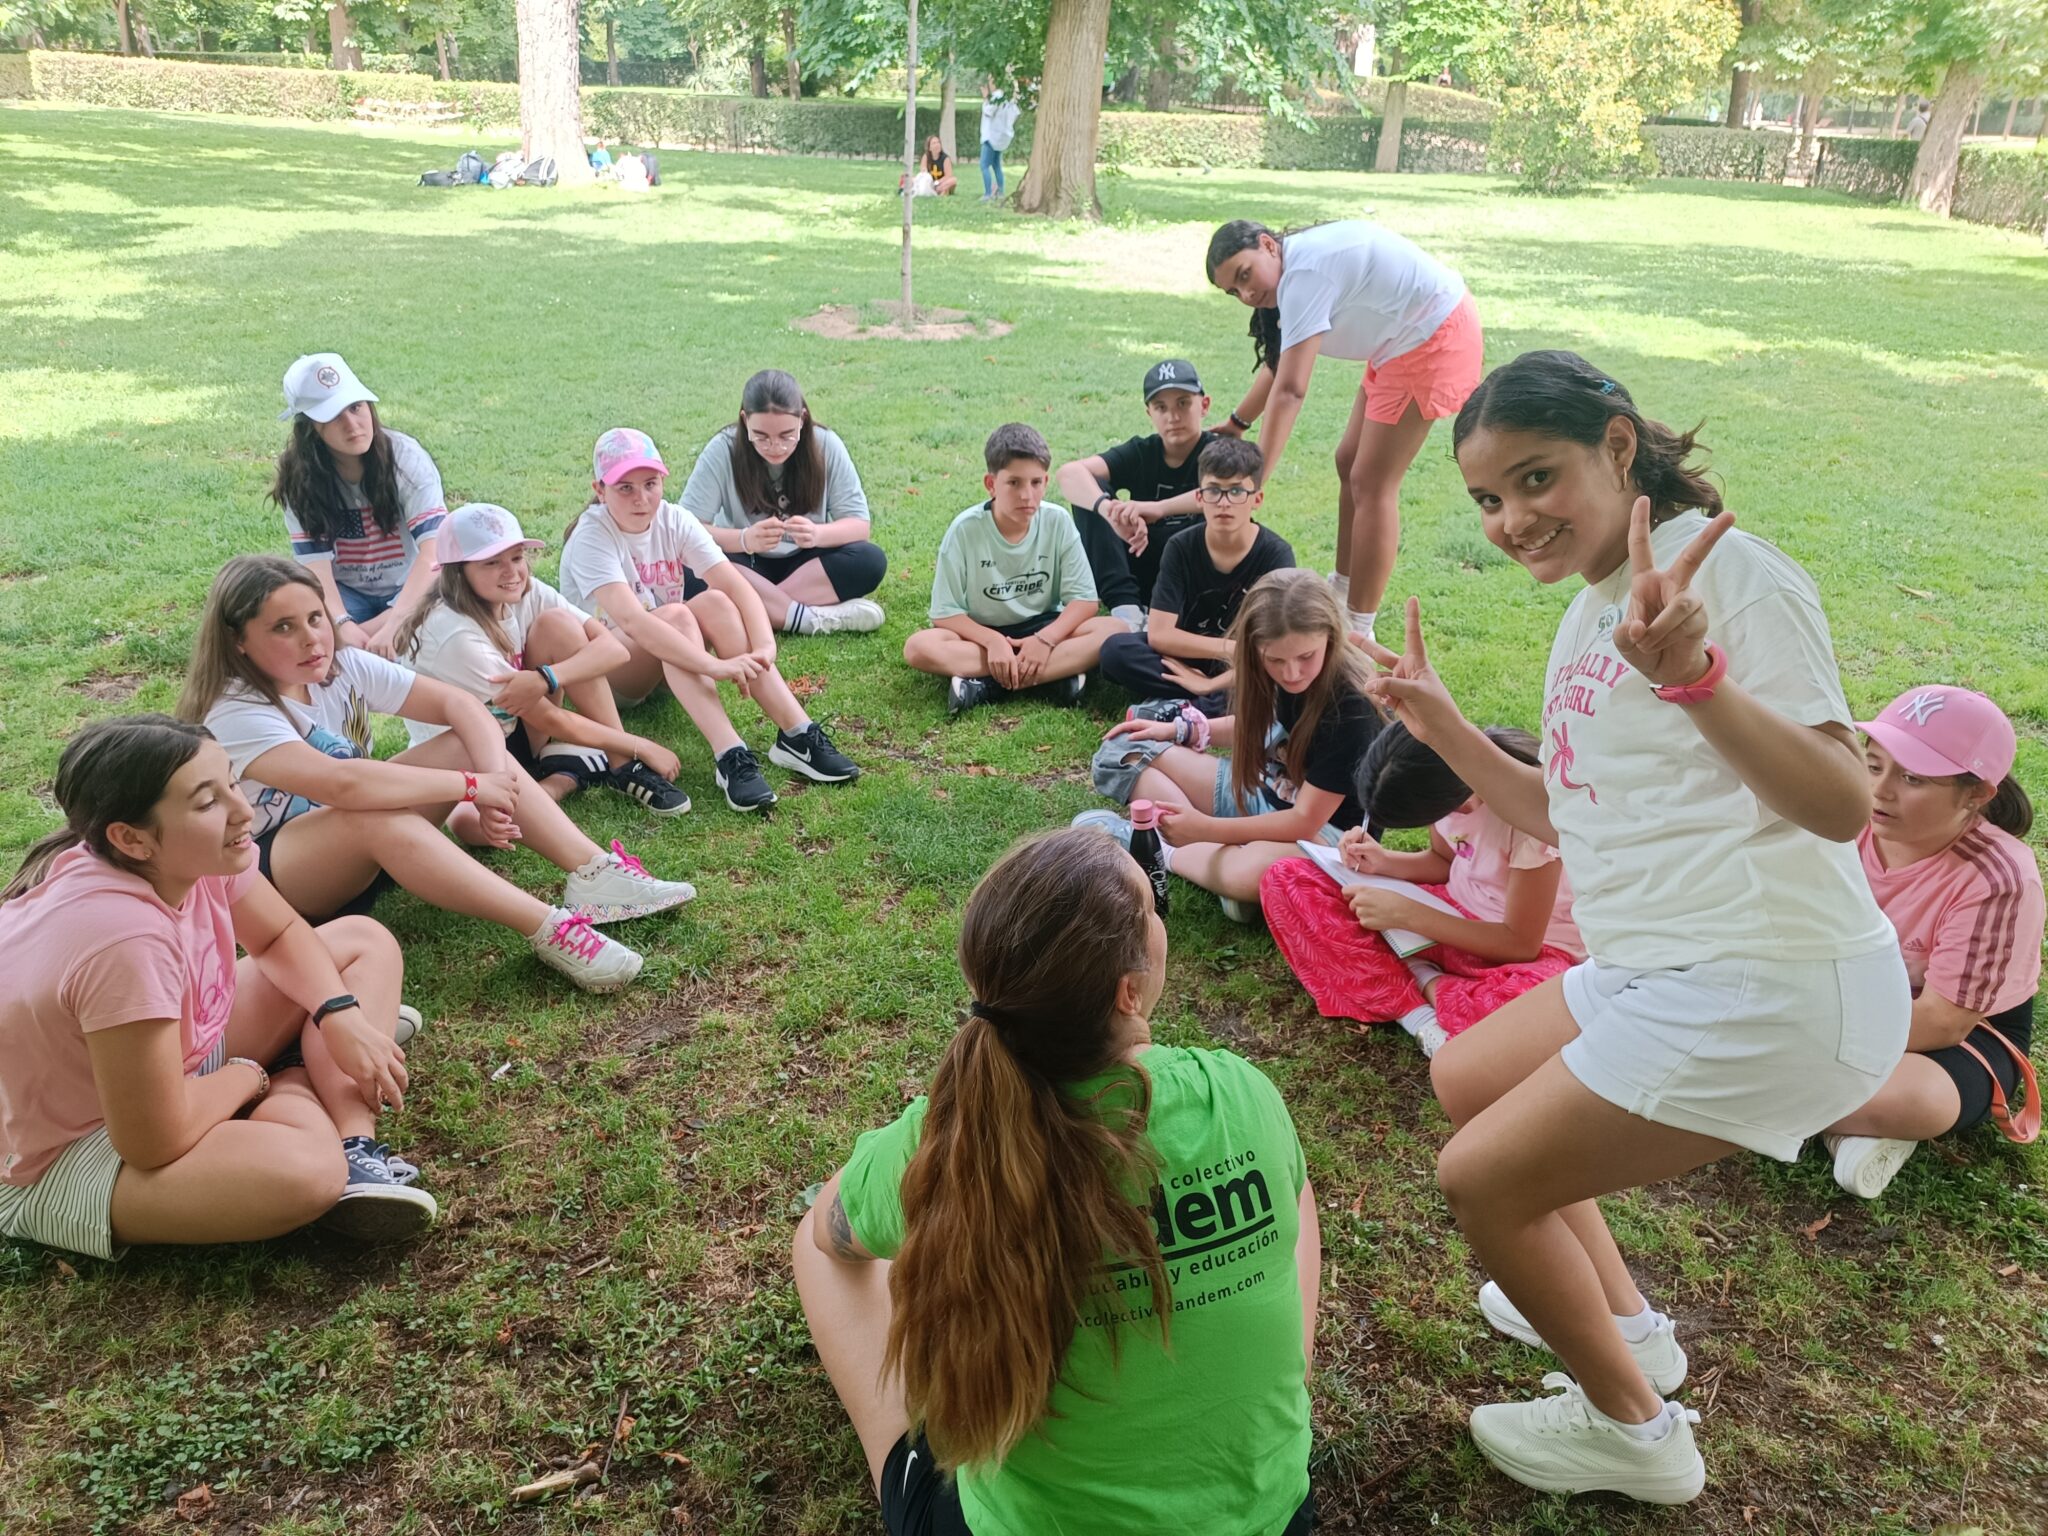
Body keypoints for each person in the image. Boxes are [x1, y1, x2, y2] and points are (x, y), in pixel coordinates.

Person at [1369, 350, 1907, 1502]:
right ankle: (1627, 1327)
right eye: (1486, 498)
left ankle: (1635, 1436)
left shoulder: (1730, 575)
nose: (1511, 520)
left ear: (1617, 446)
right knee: (1467, 1077)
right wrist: (1441, 722)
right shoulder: (1590, 609)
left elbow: (1838, 803)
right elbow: (1555, 814)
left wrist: (1695, 676)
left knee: (1481, 1180)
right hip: (1660, 960)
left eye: (1535, 478)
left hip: (1772, 978)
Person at [793, 827, 1320, 1536]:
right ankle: (1274, 1388)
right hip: (1272, 1521)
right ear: (1129, 992)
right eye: (1153, 910)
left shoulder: (942, 1140)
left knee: (816, 1241)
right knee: (1292, 1186)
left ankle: (909, 1459)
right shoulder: (1238, 1096)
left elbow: (834, 1237)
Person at [0, 716, 435, 1259]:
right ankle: (294, 1073)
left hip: (169, 1060)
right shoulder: (123, 939)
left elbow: (278, 935)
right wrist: (250, 1074)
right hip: (72, 1150)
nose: (243, 809)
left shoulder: (189, 854)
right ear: (131, 838)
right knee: (305, 1171)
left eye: (232, 782)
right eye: (208, 802)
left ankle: (356, 1146)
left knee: (361, 941)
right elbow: (154, 1140)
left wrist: (337, 1012)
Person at [179, 556, 694, 993]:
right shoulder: (236, 713)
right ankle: (549, 929)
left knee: (458, 744)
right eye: (283, 627)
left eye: (316, 618)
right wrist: (471, 787)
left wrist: (494, 783)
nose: (312, 639)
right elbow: (344, 785)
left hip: (355, 837)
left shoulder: (343, 666)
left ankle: (593, 873)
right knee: (369, 813)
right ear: (238, 640)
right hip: (280, 878)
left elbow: (460, 705)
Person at [1206, 219, 1484, 646]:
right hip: (1398, 342)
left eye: (1244, 275)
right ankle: (1342, 588)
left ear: (1268, 245)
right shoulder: (1291, 269)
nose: (1245, 295)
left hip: (1431, 336)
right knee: (1348, 461)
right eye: (1233, 291)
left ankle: (1358, 631)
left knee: (1371, 482)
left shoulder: (1304, 274)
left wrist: (1255, 478)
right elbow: (1281, 363)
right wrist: (1238, 422)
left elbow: (1291, 391)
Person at [560, 428, 865, 811]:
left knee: (716, 601)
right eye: (625, 488)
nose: (642, 499)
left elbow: (736, 587)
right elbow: (634, 622)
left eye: (650, 484)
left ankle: (797, 733)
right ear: (600, 490)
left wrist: (764, 647)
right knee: (676, 615)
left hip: (670, 663)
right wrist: (714, 666)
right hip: (611, 676)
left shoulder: (674, 519)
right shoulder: (592, 535)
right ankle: (730, 754)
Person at [1819, 686, 2042, 1198]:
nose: (1880, 790)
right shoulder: (1843, 822)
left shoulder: (1998, 878)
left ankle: (1820, 1107)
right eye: (1873, 765)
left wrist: (1809, 1037)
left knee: (1920, 1099)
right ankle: (1841, 1127)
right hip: (1840, 991)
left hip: (1961, 1032)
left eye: (1913, 778)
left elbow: (1943, 1021)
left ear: (1976, 794)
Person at [1260, 720, 1584, 1059]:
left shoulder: (1529, 816)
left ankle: (1417, 979)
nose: (1452, 817)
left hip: (1528, 950)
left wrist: (1409, 916)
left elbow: (1520, 944)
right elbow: (1444, 861)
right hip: (1449, 912)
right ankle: (1421, 1008)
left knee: (1538, 1011)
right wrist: (1382, 862)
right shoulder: (1444, 782)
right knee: (1286, 877)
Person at [1078, 568, 1382, 923]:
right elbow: (1261, 729)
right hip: (1266, 793)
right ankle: (1215, 861)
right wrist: (1180, 730)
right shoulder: (1275, 674)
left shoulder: (1351, 709)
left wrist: (1205, 827)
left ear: (1330, 637)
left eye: (1305, 656)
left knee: (1252, 872)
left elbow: (1304, 821)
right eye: (1275, 660)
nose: (1291, 673)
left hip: (1327, 838)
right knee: (1125, 750)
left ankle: (1158, 847)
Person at [393, 503, 690, 817]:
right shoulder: (454, 635)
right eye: (492, 562)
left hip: (515, 730)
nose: (512, 572)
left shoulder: (526, 591)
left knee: (557, 625)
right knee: (474, 823)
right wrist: (639, 744)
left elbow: (614, 650)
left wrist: (545, 677)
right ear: (457, 572)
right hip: (465, 754)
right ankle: (568, 775)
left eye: (517, 557)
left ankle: (622, 767)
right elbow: (550, 719)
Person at [903, 423, 1123, 716]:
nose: (1026, 495)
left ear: (1046, 481)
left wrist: (1045, 639)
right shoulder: (965, 530)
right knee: (918, 647)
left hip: (1044, 625)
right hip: (983, 634)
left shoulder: (1057, 521)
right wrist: (993, 641)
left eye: (1036, 482)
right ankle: (1054, 678)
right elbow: (944, 613)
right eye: (1014, 483)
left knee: (1115, 629)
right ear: (991, 484)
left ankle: (987, 684)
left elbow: (1084, 601)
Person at [677, 370, 888, 636]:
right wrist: (744, 539)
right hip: (745, 563)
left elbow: (859, 525)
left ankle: (756, 610)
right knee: (686, 570)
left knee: (869, 560)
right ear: (744, 421)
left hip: (807, 565)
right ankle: (807, 618)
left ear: (803, 419)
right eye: (761, 436)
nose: (775, 446)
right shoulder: (723, 449)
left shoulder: (826, 444)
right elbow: (686, 530)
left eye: (787, 435)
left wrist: (817, 534)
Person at [1097, 436, 1294, 717]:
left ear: (1257, 499)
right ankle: (1210, 703)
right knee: (1115, 651)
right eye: (1214, 491)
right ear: (1199, 498)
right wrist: (1229, 649)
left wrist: (1211, 683)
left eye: (1236, 491)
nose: (1224, 503)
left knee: (1278, 674)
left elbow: (1275, 647)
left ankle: (1186, 704)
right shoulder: (1181, 546)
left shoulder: (1276, 555)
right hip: (1193, 653)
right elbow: (1160, 635)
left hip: (1245, 664)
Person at [271, 352, 447, 659]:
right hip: (342, 595)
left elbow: (435, 554)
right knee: (289, 619)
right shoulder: (299, 478)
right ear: (309, 427)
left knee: (453, 599)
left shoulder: (406, 457)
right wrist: (341, 622)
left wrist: (395, 621)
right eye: (333, 416)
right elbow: (315, 567)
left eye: (356, 407)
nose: (352, 424)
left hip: (412, 587)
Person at [1054, 359, 1222, 624]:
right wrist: (1110, 512)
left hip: (1196, 569)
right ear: (1149, 413)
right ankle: (1126, 610)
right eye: (1161, 407)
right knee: (1091, 492)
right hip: (1142, 562)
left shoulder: (1219, 451)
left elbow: (1228, 491)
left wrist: (1158, 508)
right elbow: (1068, 473)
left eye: (1183, 403)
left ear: (1204, 405)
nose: (1173, 417)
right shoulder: (1142, 451)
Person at [978, 78, 1022, 201]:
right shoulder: (1008, 98)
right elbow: (1015, 114)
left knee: (984, 165)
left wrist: (985, 98)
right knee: (996, 164)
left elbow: (988, 111)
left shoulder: (996, 97)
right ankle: (1000, 192)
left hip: (991, 135)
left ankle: (988, 194)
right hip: (1002, 137)